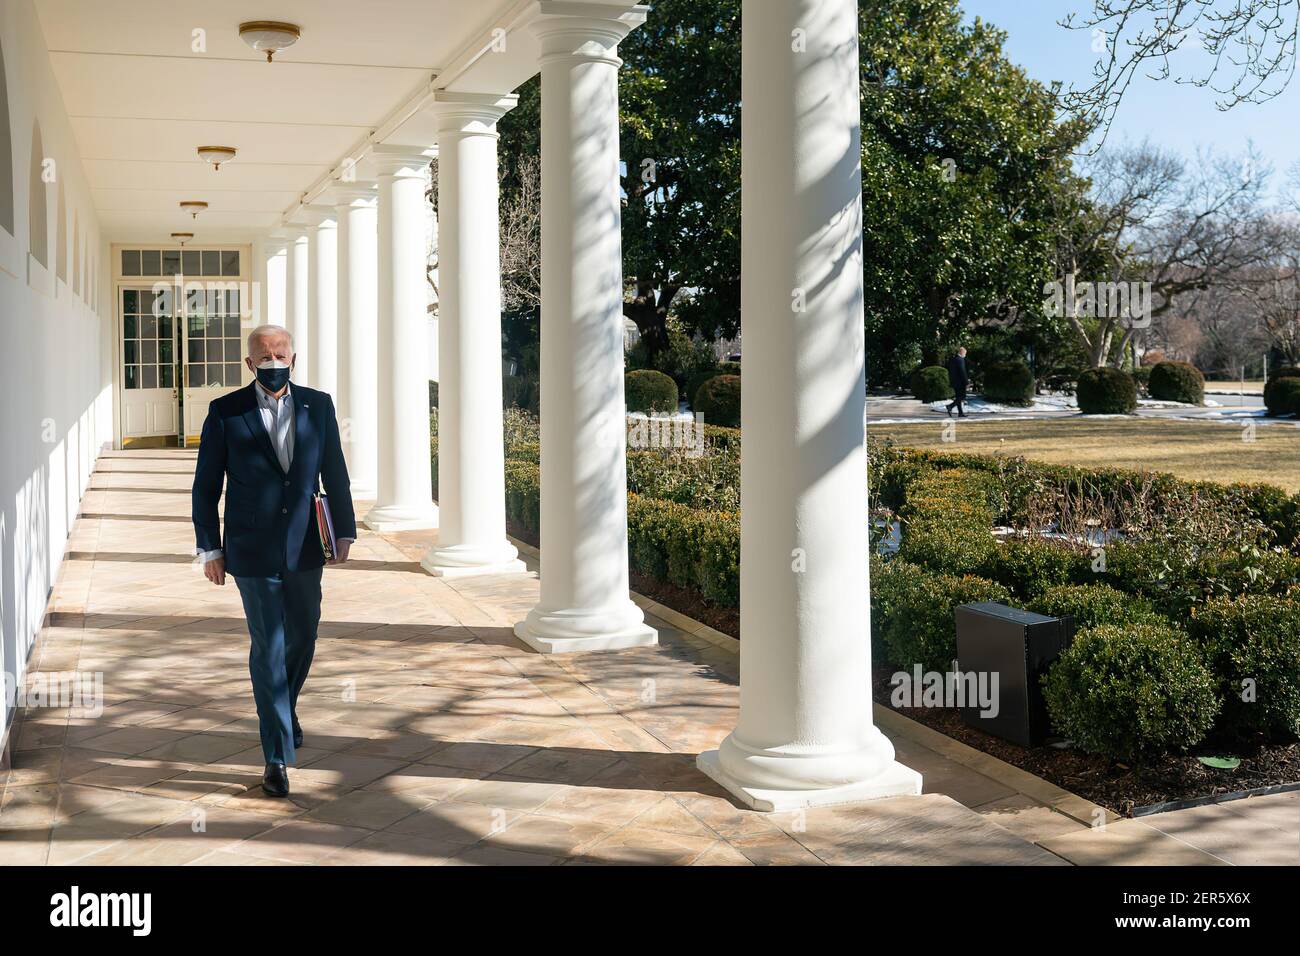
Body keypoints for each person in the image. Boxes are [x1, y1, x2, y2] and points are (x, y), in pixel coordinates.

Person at [191, 324, 356, 797]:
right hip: (251, 549)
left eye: (281, 353)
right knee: (268, 646)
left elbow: (336, 472)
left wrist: (344, 529)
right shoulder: (225, 412)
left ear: (293, 357)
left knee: (303, 635)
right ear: (250, 364)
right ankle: (276, 756)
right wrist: (211, 548)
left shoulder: (318, 405)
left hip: (306, 545)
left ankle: (285, 709)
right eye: (265, 355)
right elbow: (206, 486)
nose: (274, 360)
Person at [946, 346, 969, 418]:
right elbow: (962, 372)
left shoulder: (953, 359)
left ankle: (960, 413)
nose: (965, 355)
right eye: (965, 353)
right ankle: (950, 406)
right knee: (962, 396)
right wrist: (966, 382)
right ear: (962, 352)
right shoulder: (960, 360)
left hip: (954, 382)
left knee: (958, 397)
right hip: (960, 382)